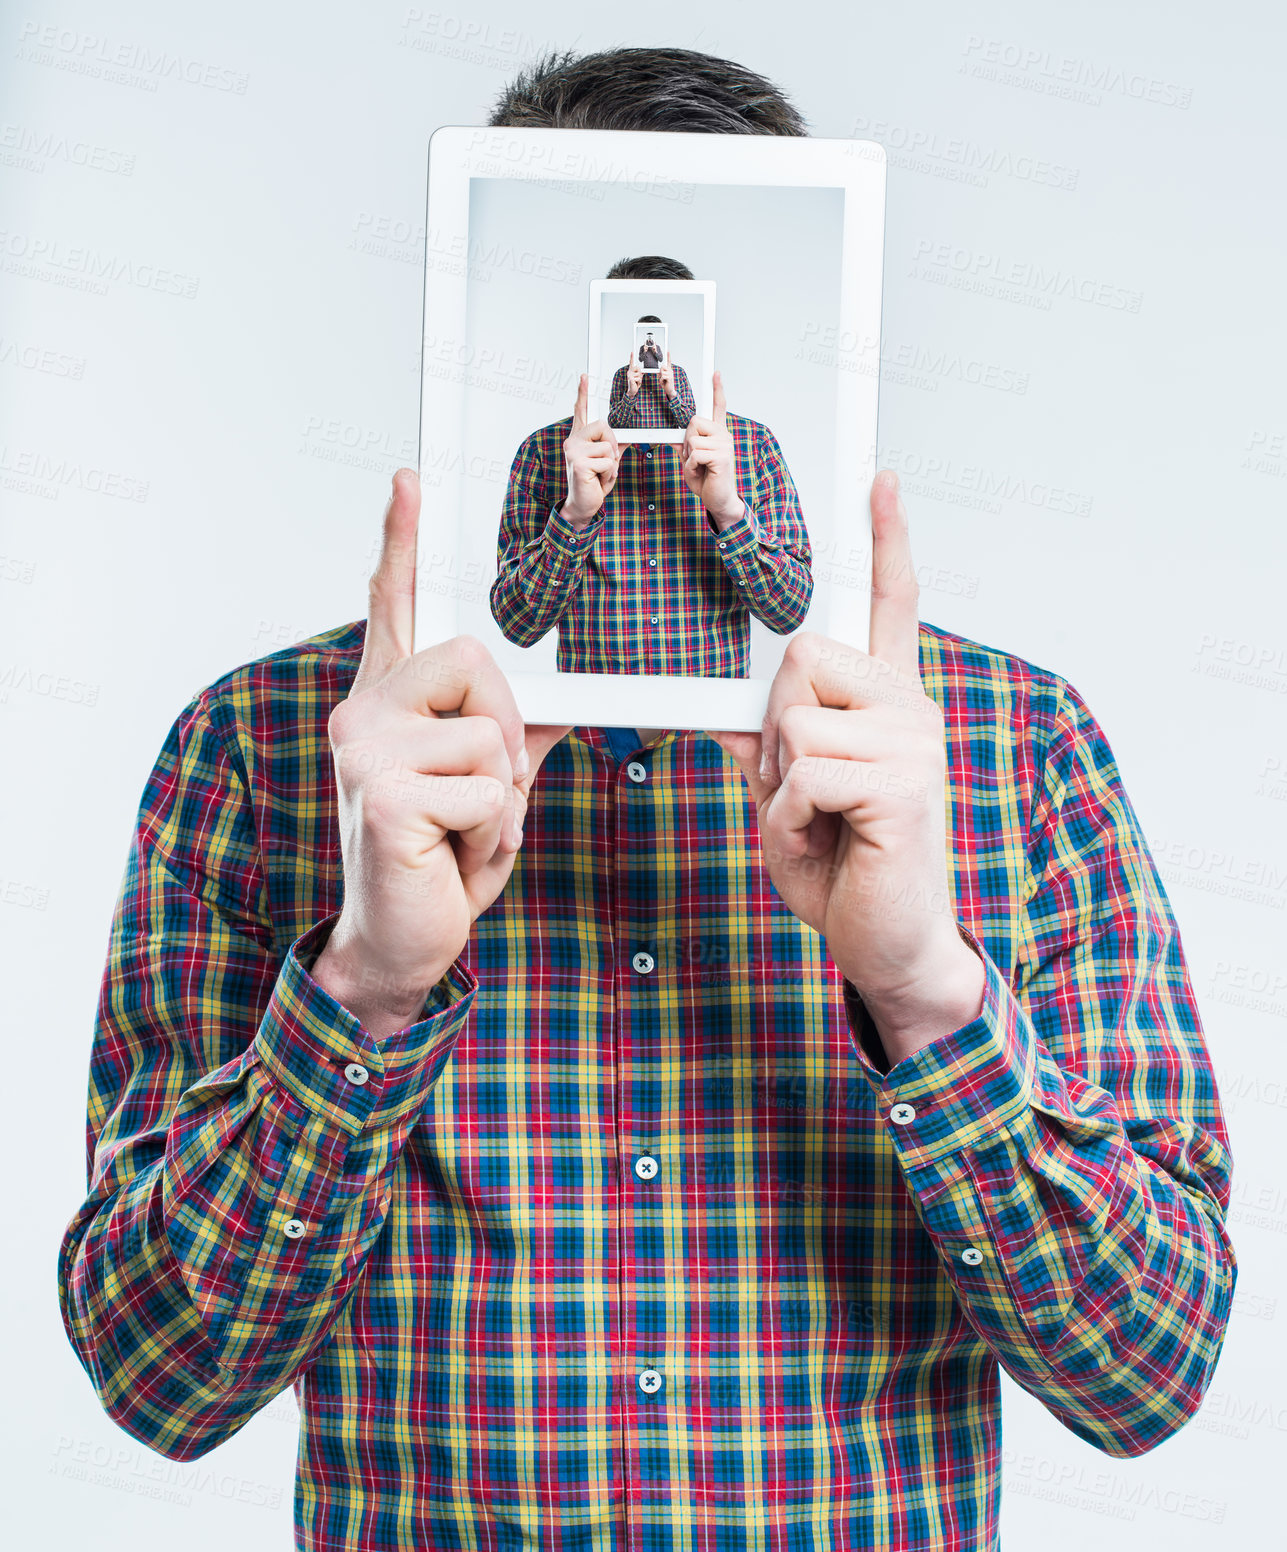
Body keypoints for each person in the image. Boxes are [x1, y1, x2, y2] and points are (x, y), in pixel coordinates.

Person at [57, 45, 1236, 1552]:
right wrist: (362, 988)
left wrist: (925, 994)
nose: (647, 363)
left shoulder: (1009, 743)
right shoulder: (268, 745)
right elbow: (159, 1381)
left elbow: (1149, 1377)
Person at [490, 257, 813, 678]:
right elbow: (518, 626)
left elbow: (789, 613)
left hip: (706, 735)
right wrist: (574, 516)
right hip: (588, 734)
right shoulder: (548, 451)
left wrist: (729, 511)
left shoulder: (751, 446)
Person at [609, 308, 695, 430]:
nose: (649, 339)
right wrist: (630, 394)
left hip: (667, 448)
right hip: (633, 448)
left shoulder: (678, 373)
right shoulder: (622, 374)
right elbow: (614, 424)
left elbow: (690, 424)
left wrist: (672, 393)